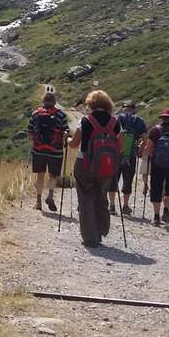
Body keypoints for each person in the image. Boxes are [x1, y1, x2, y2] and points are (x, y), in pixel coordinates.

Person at [68, 89, 121, 248]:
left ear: (91, 103)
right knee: (101, 196)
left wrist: (67, 139)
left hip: (85, 164)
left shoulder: (85, 121)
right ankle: (102, 229)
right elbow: (120, 146)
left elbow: (74, 144)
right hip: (107, 166)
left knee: (86, 198)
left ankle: (90, 238)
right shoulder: (115, 122)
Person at [142, 108, 169, 226]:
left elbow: (147, 149)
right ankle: (166, 209)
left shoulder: (155, 130)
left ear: (163, 118)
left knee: (156, 189)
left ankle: (156, 217)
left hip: (157, 164)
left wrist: (151, 154)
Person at [27, 90, 69, 212]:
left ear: (43, 101)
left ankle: (38, 201)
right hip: (55, 151)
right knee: (53, 175)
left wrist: (33, 141)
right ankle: (50, 196)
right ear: (55, 102)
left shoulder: (35, 114)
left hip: (39, 150)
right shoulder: (61, 115)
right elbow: (66, 131)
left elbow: (29, 132)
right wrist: (65, 137)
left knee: (40, 175)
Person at [111, 100, 147, 216]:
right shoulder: (139, 120)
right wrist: (140, 151)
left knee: (113, 179)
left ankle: (112, 205)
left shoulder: (116, 119)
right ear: (134, 109)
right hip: (131, 155)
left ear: (123, 109)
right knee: (128, 180)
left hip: (116, 154)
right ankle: (125, 206)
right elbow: (145, 139)